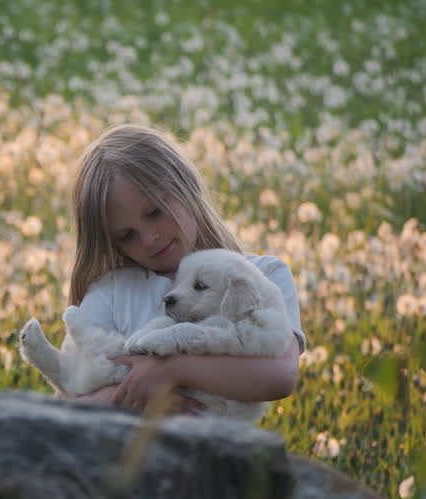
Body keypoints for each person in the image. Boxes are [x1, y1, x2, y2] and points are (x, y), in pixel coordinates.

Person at [62, 124, 305, 414]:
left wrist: (172, 371)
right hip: (125, 456)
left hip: (215, 455)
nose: (148, 238)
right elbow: (65, 400)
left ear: (184, 184)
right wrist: (136, 396)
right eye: (127, 235)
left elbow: (280, 376)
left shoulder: (262, 275)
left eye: (154, 213)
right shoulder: (109, 293)